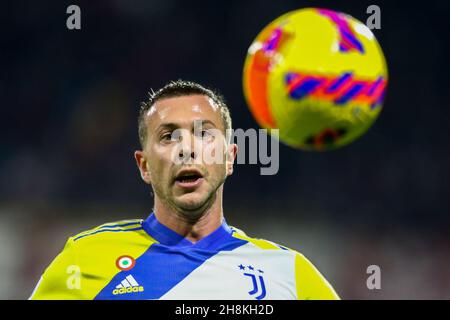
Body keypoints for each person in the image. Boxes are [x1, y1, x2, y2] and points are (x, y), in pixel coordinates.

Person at [30, 80, 339, 300]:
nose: (186, 149)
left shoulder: (289, 273)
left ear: (229, 158)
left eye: (204, 133)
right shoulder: (85, 260)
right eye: (168, 136)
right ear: (145, 166)